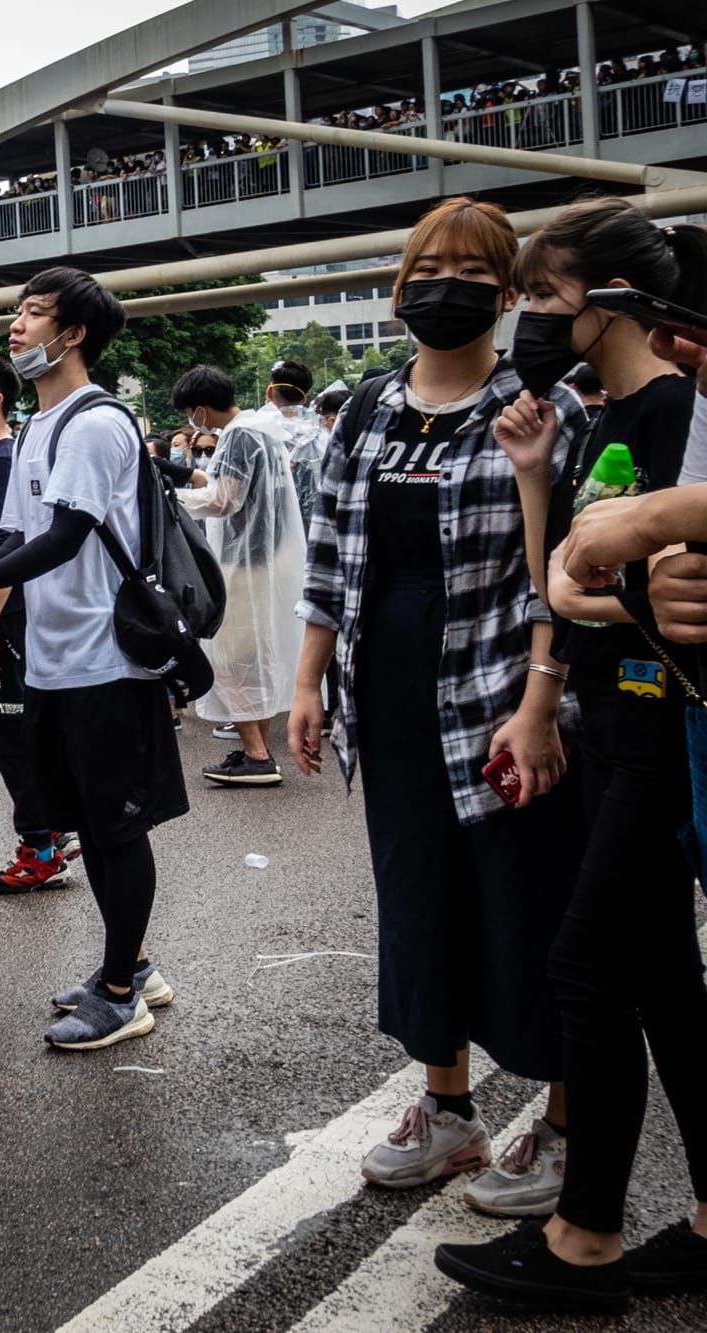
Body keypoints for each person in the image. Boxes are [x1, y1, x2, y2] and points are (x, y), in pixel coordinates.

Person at [435, 200, 707, 1307]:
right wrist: (537, 476)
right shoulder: (602, 414)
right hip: (607, 719)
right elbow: (560, 578)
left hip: (655, 723)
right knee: (663, 980)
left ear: (613, 300)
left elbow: (644, 587)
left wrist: (599, 583)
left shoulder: (674, 407)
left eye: (546, 297)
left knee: (587, 967)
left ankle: (582, 1237)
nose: (533, 319)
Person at [287, 197, 586, 1197]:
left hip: (501, 690)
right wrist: (307, 680)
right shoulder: (370, 406)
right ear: (397, 286)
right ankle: (447, 1110)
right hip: (390, 686)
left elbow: (566, 566)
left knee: (526, 900)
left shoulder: (540, 406)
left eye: (470, 272)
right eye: (426, 269)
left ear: (506, 295)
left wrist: (539, 699)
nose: (442, 287)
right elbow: (331, 552)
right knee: (417, 896)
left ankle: (565, 1124)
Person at [0, 267, 186, 1051]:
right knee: (90, 822)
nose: (16, 326)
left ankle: (121, 993)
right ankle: (135, 964)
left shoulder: (94, 422)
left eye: (33, 313)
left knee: (118, 829)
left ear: (74, 333)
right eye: (16, 312)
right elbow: (20, 533)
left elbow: (66, 537)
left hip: (107, 659)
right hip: (56, 659)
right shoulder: (36, 427)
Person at [0, 353, 75, 893]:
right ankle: (52, 831)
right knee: (9, 732)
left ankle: (40, 849)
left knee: (11, 734)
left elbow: (13, 543)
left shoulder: (5, 458)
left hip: (6, 616)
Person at [171, 366, 306, 787]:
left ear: (199, 408)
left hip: (241, 562)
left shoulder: (239, 435)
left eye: (190, 413)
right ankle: (256, 750)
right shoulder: (262, 429)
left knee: (229, 659)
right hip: (265, 559)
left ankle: (257, 756)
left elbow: (224, 500)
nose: (192, 421)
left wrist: (171, 498)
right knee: (252, 657)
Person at [269, 360, 329, 531]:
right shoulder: (323, 436)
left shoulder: (260, 432)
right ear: (304, 398)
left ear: (269, 392)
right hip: (314, 527)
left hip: (273, 528)